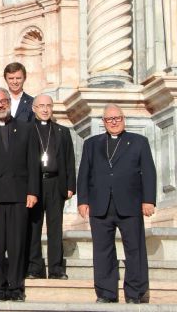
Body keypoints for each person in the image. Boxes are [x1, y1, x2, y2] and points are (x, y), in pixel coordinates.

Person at [77, 104, 156, 304]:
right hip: (100, 204)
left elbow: (148, 172)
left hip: (130, 203)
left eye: (117, 118)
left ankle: (135, 293)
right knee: (102, 251)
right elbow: (84, 174)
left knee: (135, 250)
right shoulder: (92, 144)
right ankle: (106, 293)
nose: (114, 122)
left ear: (123, 119)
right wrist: (83, 200)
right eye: (109, 119)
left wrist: (148, 200)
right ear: (103, 122)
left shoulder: (139, 141)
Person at [0, 87, 40, 302]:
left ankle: (15, 286)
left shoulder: (26, 129)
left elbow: (33, 163)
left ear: (9, 103)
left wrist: (33, 191)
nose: (0, 105)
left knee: (17, 243)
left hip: (19, 195)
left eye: (4, 101)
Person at [26, 94, 76, 280]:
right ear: (34, 108)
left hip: (56, 183)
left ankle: (56, 268)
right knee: (34, 226)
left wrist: (71, 184)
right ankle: (35, 267)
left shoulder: (62, 131)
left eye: (48, 106)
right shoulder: (27, 130)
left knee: (55, 227)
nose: (45, 109)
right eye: (41, 106)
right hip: (35, 183)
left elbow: (70, 159)